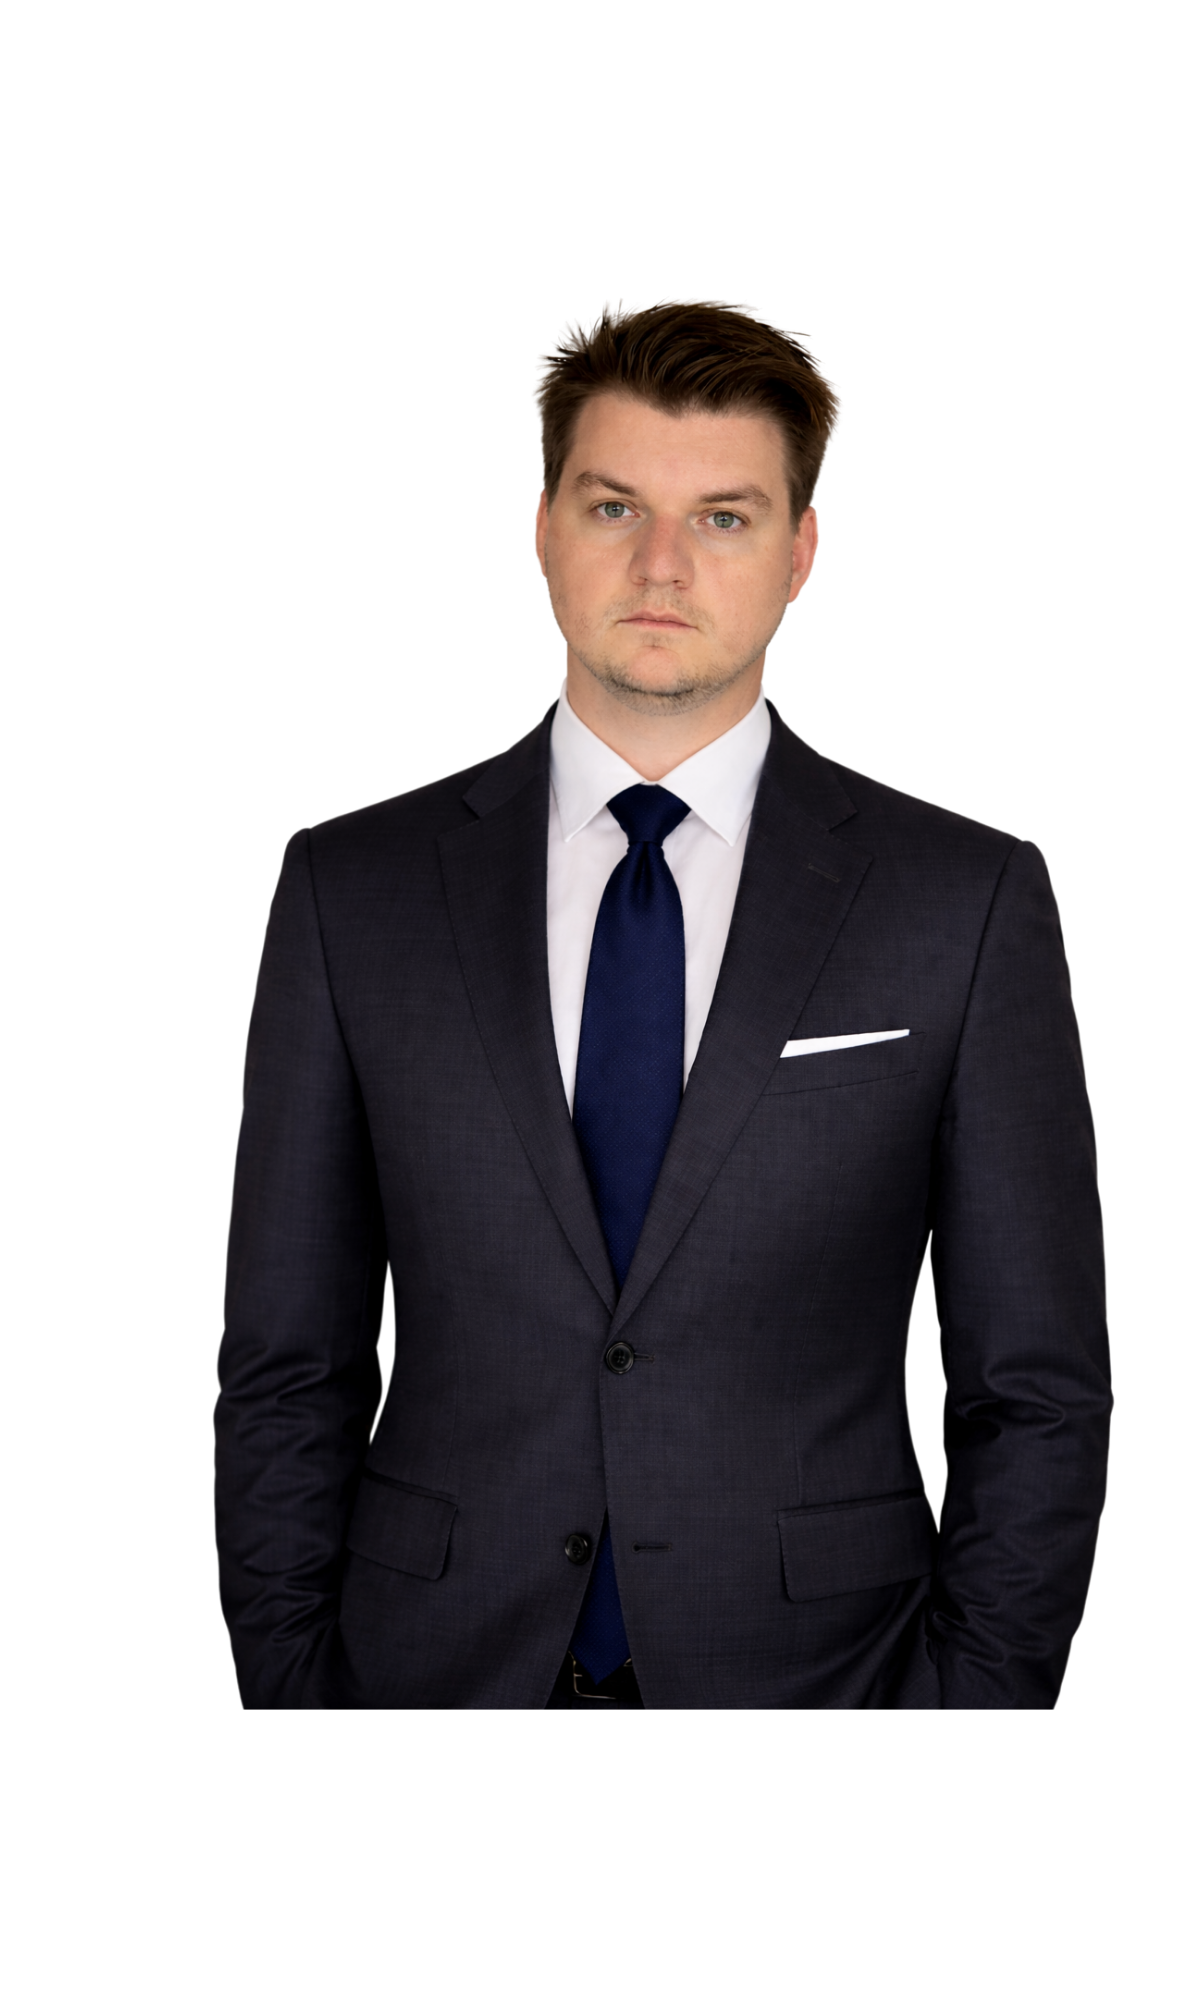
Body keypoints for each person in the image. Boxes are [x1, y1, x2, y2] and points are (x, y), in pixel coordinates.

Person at [214, 298, 1110, 1709]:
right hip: (428, 1669)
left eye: (728, 517)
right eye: (616, 504)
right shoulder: (351, 888)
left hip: (827, 1676)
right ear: (542, 528)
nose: (663, 564)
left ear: (803, 553)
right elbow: (284, 1362)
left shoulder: (967, 899)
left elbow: (1035, 1389)